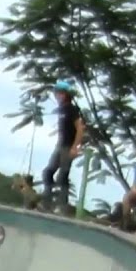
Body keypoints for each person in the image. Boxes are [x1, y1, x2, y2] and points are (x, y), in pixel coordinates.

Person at [41, 80, 85, 213]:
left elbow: (80, 128)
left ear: (66, 95)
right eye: (56, 94)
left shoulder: (72, 109)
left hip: (68, 146)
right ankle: (47, 202)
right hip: (60, 145)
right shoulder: (61, 109)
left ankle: (62, 205)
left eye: (60, 94)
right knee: (48, 172)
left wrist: (75, 147)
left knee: (63, 175)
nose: (58, 96)